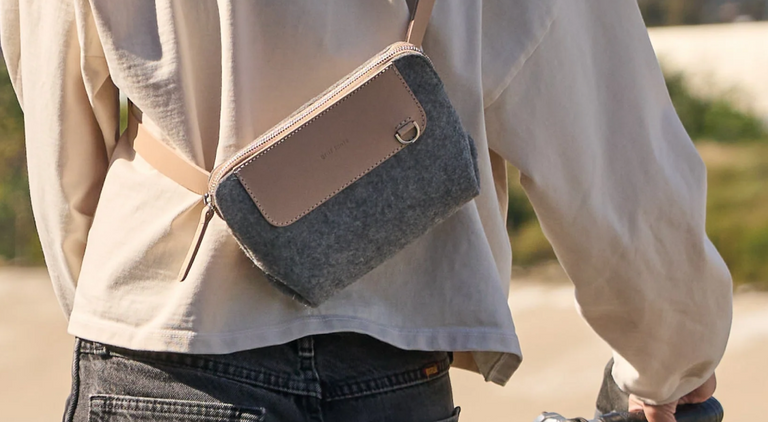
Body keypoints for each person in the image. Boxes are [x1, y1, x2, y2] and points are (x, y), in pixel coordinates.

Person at [0, 1, 732, 421]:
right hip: (389, 364)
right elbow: (605, 126)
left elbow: (59, 112)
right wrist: (669, 359)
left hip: (161, 351)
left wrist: (119, 299)